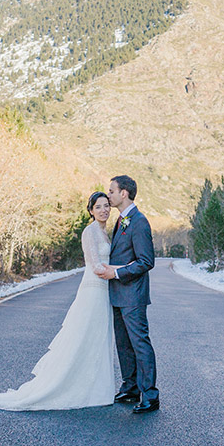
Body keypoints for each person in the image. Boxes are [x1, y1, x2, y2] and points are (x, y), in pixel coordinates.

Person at [0, 192, 117, 411]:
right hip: (92, 291)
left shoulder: (105, 233)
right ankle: (65, 385)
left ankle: (95, 388)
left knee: (98, 338)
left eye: (106, 206)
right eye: (98, 207)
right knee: (82, 337)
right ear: (91, 211)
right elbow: (96, 266)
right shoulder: (90, 232)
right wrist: (124, 270)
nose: (104, 210)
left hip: (104, 293)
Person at [100, 175, 159, 413]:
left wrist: (117, 274)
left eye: (112, 191)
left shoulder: (139, 221)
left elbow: (146, 261)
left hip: (133, 295)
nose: (109, 194)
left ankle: (150, 396)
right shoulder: (121, 220)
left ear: (124, 193)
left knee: (140, 344)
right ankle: (131, 387)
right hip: (117, 294)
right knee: (123, 345)